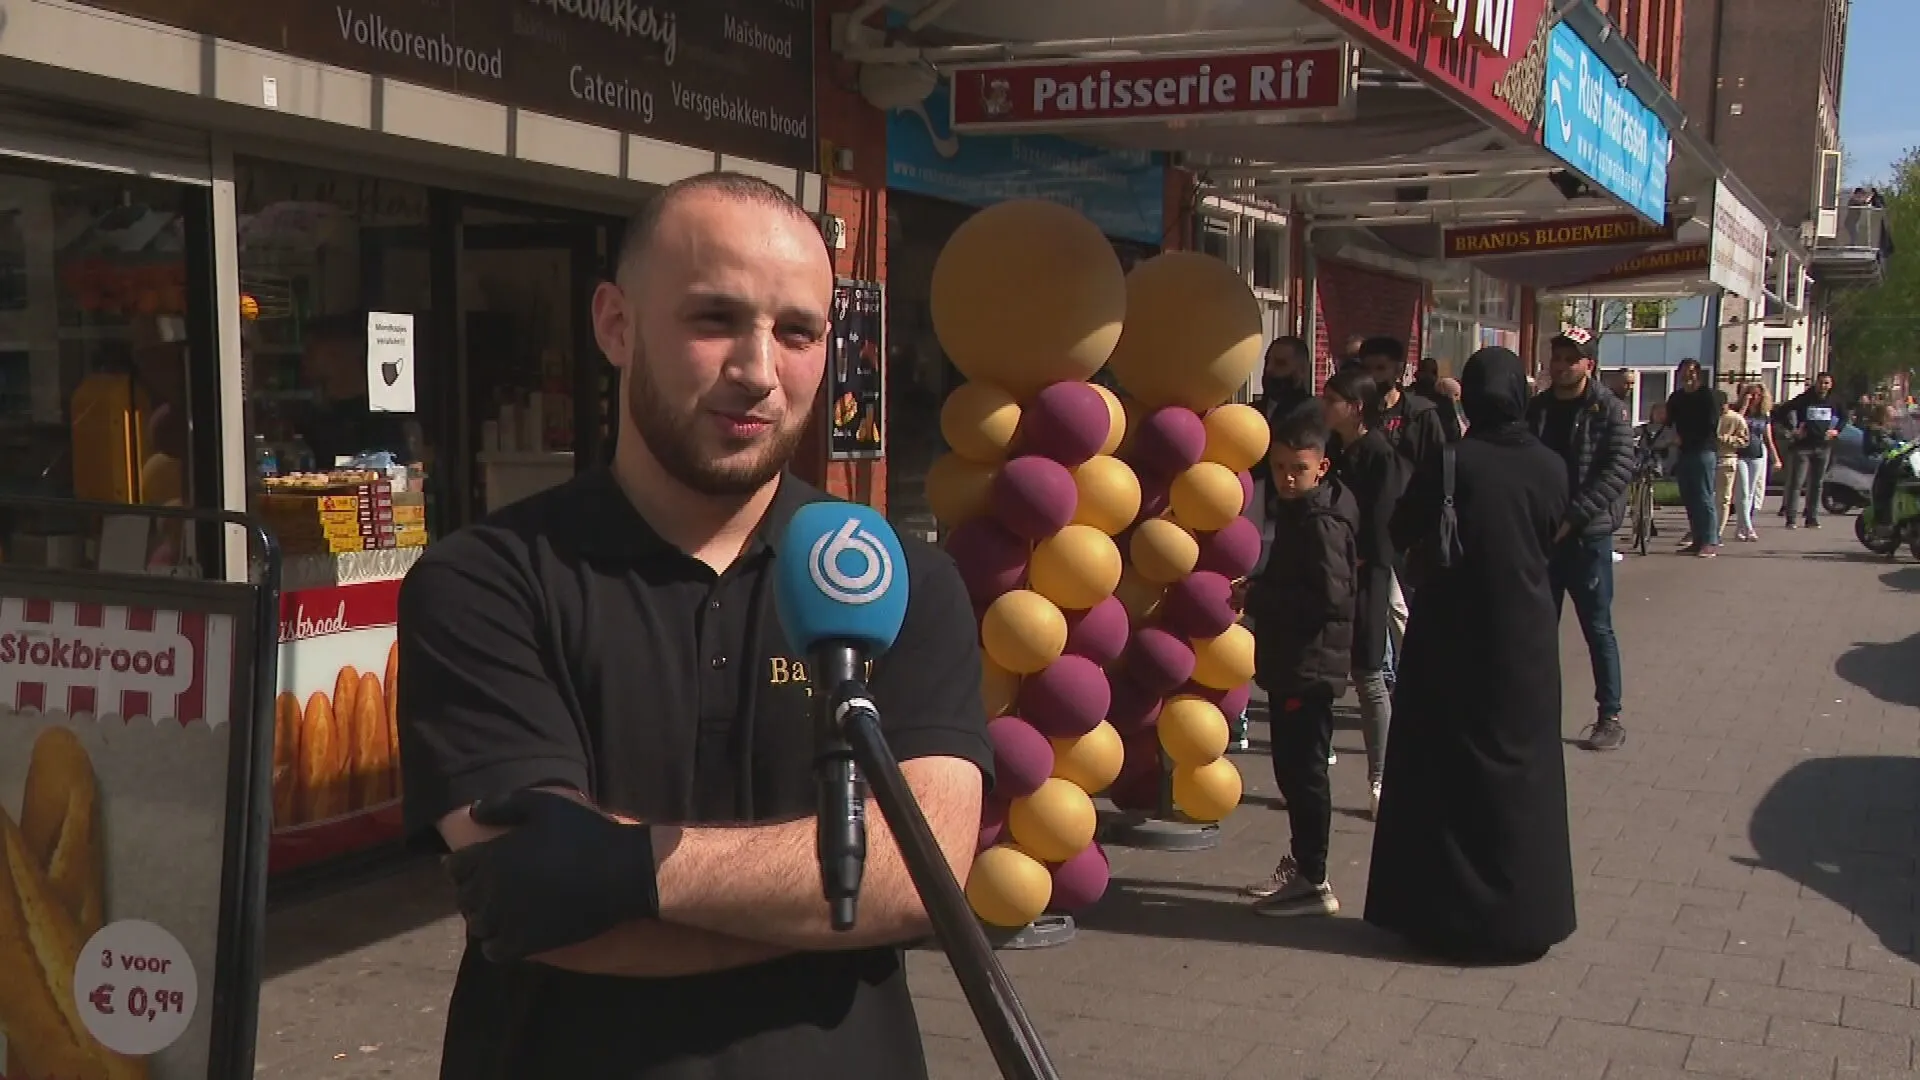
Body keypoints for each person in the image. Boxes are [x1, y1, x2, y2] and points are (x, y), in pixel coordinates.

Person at [394, 173, 992, 1080]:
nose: (757, 369)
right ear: (615, 324)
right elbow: (531, 894)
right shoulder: (484, 580)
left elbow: (921, 875)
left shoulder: (898, 580)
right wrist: (828, 887)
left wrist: (625, 869)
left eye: (797, 331)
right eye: (715, 318)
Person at [1365, 346, 1575, 965]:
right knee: (1524, 776)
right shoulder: (1551, 466)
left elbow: (1399, 530)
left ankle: (1444, 915)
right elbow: (1553, 535)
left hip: (1452, 634)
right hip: (1528, 638)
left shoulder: (1452, 462)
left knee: (1447, 775)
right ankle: (1523, 914)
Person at [1242, 412, 1356, 917]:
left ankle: (1313, 877)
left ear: (1322, 467)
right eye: (1281, 467)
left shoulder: (1320, 521)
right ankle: (1305, 865)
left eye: (1299, 469)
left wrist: (1261, 596)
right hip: (1297, 660)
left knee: (1303, 772)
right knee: (1295, 771)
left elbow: (1330, 597)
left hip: (1308, 666)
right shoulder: (1305, 511)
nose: (1288, 478)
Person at [1527, 334, 1634, 752]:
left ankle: (1610, 715)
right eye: (1556, 359)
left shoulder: (1607, 408)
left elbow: (1617, 468)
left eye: (1570, 360)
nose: (1560, 366)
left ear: (1588, 365)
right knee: (1537, 627)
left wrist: (1574, 518)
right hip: (1545, 537)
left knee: (1597, 626)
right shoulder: (1538, 408)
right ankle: (1534, 712)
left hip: (1588, 537)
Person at [1320, 368, 1403, 818]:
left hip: (1364, 575)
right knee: (1326, 673)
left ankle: (1381, 775)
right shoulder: (1334, 449)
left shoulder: (1378, 455)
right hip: (1329, 572)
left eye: (1332, 399)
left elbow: (1382, 524)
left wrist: (1356, 559)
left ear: (1355, 407)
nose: (1323, 404)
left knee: (1369, 675)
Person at [1664, 359, 1723, 556]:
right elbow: (1668, 422)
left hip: (1703, 450)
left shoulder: (1707, 396)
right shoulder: (1677, 398)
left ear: (1697, 373)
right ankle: (1697, 539)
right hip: (1684, 452)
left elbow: (1711, 425)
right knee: (1689, 497)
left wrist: (1686, 437)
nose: (1686, 376)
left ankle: (1710, 541)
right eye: (1682, 371)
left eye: (1690, 371)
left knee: (1703, 496)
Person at [1781, 370, 1848, 528]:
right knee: (1797, 483)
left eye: (1826, 383)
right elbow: (1782, 411)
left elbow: (1844, 417)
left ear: (1831, 385)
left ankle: (1811, 517)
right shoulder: (1805, 399)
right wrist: (1793, 429)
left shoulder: (1834, 400)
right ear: (1815, 383)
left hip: (1823, 447)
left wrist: (1836, 430)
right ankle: (1791, 518)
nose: (1823, 386)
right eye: (1820, 383)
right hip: (1803, 447)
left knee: (1817, 484)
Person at [1731, 384, 1778, 543]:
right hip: (1740, 454)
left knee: (1750, 492)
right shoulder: (1737, 410)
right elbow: (1735, 424)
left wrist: (1775, 458)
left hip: (1756, 454)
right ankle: (1749, 528)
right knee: (1742, 491)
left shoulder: (1763, 415)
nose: (1754, 398)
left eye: (1758, 395)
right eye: (1751, 395)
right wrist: (1744, 405)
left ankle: (1740, 528)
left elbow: (1768, 438)